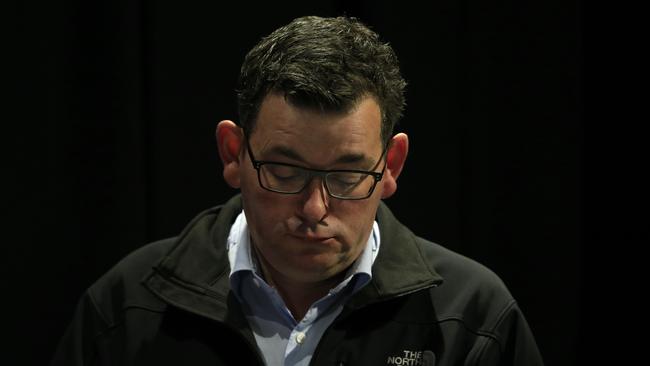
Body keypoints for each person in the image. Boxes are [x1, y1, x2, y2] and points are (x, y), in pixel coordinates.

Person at [51, 15, 544, 366]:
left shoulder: (472, 317)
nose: (314, 209)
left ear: (390, 166)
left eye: (347, 176)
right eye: (285, 172)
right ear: (232, 155)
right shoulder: (128, 307)